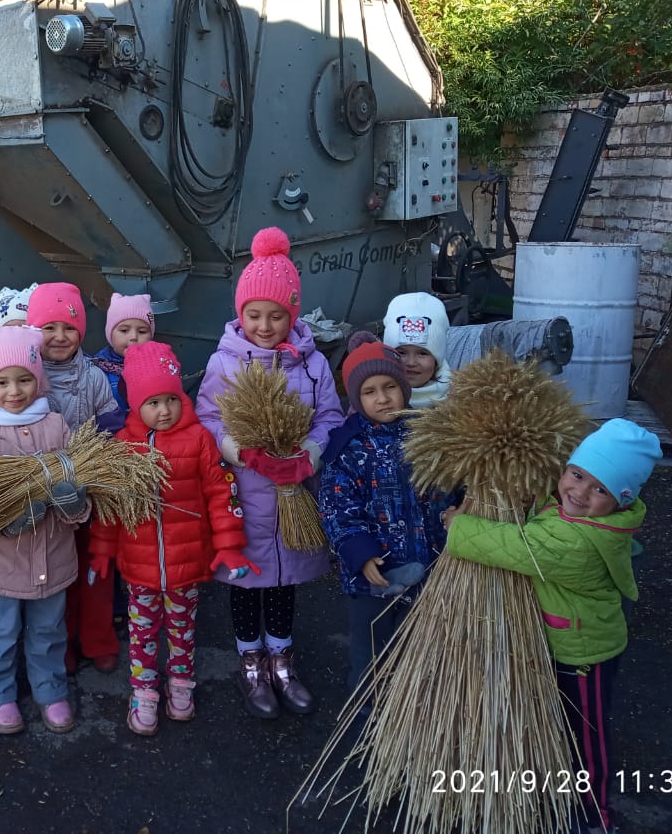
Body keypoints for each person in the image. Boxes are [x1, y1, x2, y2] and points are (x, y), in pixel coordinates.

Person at [443, 419, 661, 834]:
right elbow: (548, 509)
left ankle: (593, 813)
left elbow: (516, 546)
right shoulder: (571, 511)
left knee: (586, 735)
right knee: (558, 721)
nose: (580, 492)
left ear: (622, 501)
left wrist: (460, 525)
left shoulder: (578, 543)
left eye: (600, 490)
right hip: (561, 640)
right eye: (576, 475)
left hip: (584, 654)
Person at [196, 226, 344, 719]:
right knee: (247, 582)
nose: (264, 325)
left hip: (293, 495)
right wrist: (235, 448)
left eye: (276, 315)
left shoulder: (313, 364)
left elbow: (329, 417)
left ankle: (282, 659)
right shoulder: (225, 362)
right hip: (244, 499)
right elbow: (207, 417)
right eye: (254, 314)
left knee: (284, 583)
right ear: (240, 313)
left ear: (292, 314)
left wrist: (310, 452)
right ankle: (251, 662)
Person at [89, 341, 251, 735]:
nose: (164, 411)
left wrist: (229, 545)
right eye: (153, 403)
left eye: (171, 400)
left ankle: (181, 682)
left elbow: (222, 494)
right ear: (135, 405)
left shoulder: (198, 440)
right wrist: (102, 549)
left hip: (187, 564)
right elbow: (112, 505)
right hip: (139, 565)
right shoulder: (123, 447)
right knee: (142, 631)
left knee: (182, 628)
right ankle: (144, 689)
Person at [0, 325, 89, 734]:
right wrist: (2, 520)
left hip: (53, 554)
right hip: (0, 563)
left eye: (24, 380)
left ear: (38, 380)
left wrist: (74, 505)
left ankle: (50, 690)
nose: (14, 391)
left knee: (48, 630)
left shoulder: (57, 426)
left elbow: (77, 479)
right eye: (2, 382)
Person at [319, 332, 453, 693]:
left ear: (403, 388)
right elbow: (337, 508)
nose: (382, 398)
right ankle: (365, 714)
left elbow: (445, 486)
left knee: (417, 650)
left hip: (425, 567)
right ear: (356, 397)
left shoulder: (426, 434)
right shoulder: (348, 446)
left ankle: (408, 713)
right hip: (374, 578)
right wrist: (360, 554)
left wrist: (454, 508)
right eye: (370, 391)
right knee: (371, 655)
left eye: (390, 386)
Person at [26, 281, 124, 673]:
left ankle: (98, 638)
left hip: (92, 488)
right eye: (49, 327)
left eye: (69, 327)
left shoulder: (94, 377)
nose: (60, 336)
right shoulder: (26, 377)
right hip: (45, 492)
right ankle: (62, 641)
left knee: (97, 565)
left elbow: (112, 424)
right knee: (57, 572)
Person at [382, 291, 452, 409]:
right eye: (401, 352)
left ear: (437, 359)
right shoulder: (371, 394)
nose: (411, 362)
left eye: (422, 353)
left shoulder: (457, 395)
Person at [90, 292, 155, 416]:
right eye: (124, 330)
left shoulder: (159, 365)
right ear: (110, 334)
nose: (133, 337)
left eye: (142, 331)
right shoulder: (97, 368)